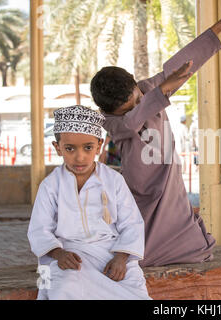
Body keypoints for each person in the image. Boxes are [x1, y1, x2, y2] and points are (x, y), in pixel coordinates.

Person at [89, 6, 221, 267]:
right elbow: (135, 117)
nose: (138, 104)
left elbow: (181, 65)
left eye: (137, 98)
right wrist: (163, 90)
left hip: (168, 178)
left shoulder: (148, 90)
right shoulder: (113, 122)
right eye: (129, 107)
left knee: (188, 240)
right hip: (142, 189)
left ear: (136, 86)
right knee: (136, 250)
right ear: (107, 111)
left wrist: (217, 30)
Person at [27, 106, 150, 300]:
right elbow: (39, 229)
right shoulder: (50, 185)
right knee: (62, 288)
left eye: (88, 147)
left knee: (132, 290)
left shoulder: (114, 181)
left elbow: (132, 224)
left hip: (110, 254)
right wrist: (58, 254)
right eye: (70, 148)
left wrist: (121, 257)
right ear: (57, 147)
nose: (79, 157)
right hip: (68, 257)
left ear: (99, 146)